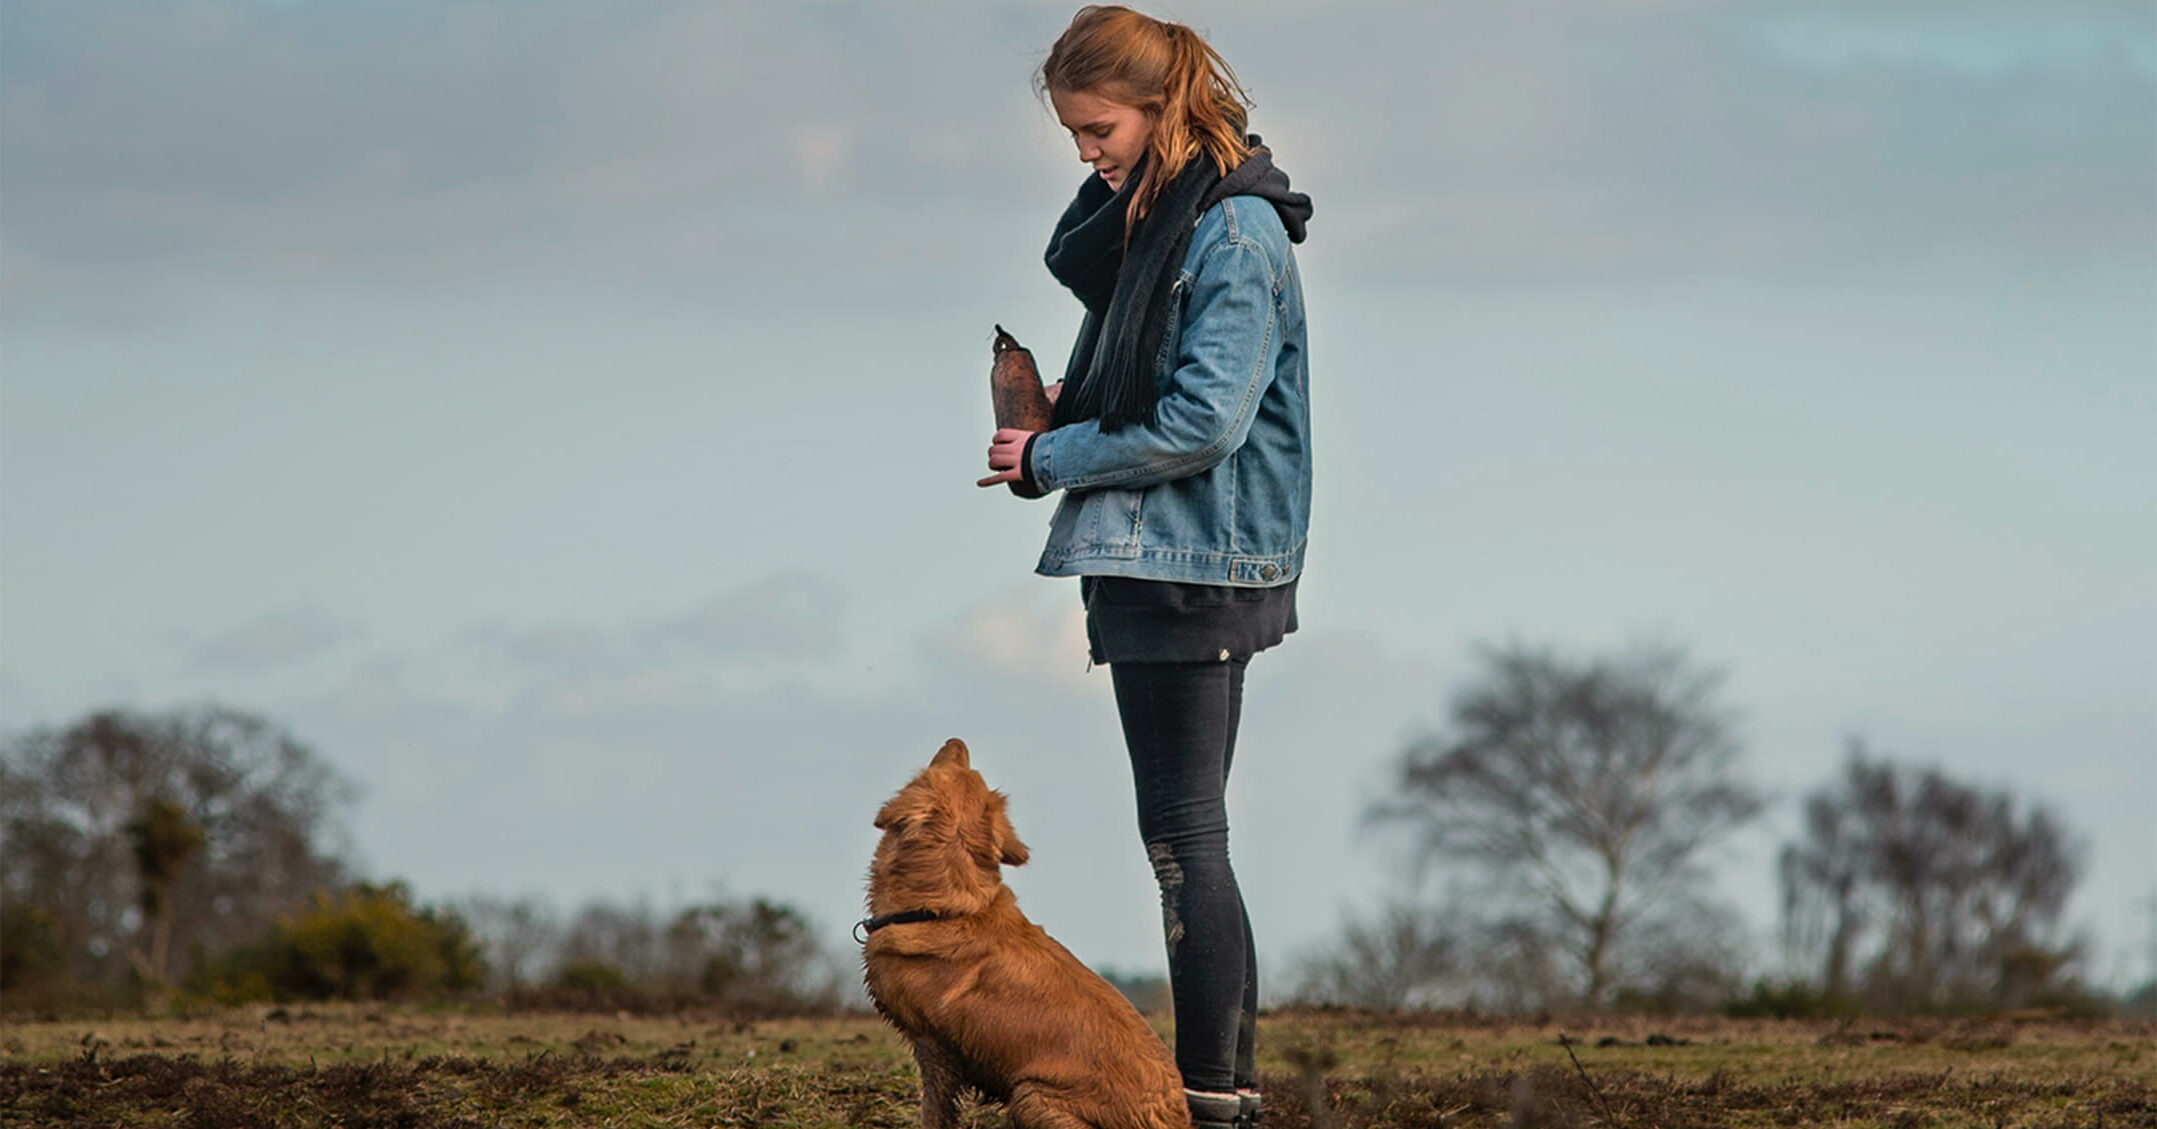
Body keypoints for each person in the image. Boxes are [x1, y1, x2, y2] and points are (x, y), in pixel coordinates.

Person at [974, 7, 1312, 1127]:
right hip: (1173, 554)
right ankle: (1226, 1094)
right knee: (1186, 834)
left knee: (1184, 840)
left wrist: (1050, 457)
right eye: (1072, 134)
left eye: (1098, 127)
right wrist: (1074, 409)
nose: (1086, 152)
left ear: (1163, 105)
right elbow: (1168, 389)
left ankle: (1216, 1100)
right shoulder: (1171, 220)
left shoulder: (1232, 232)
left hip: (1193, 560)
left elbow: (1204, 422)